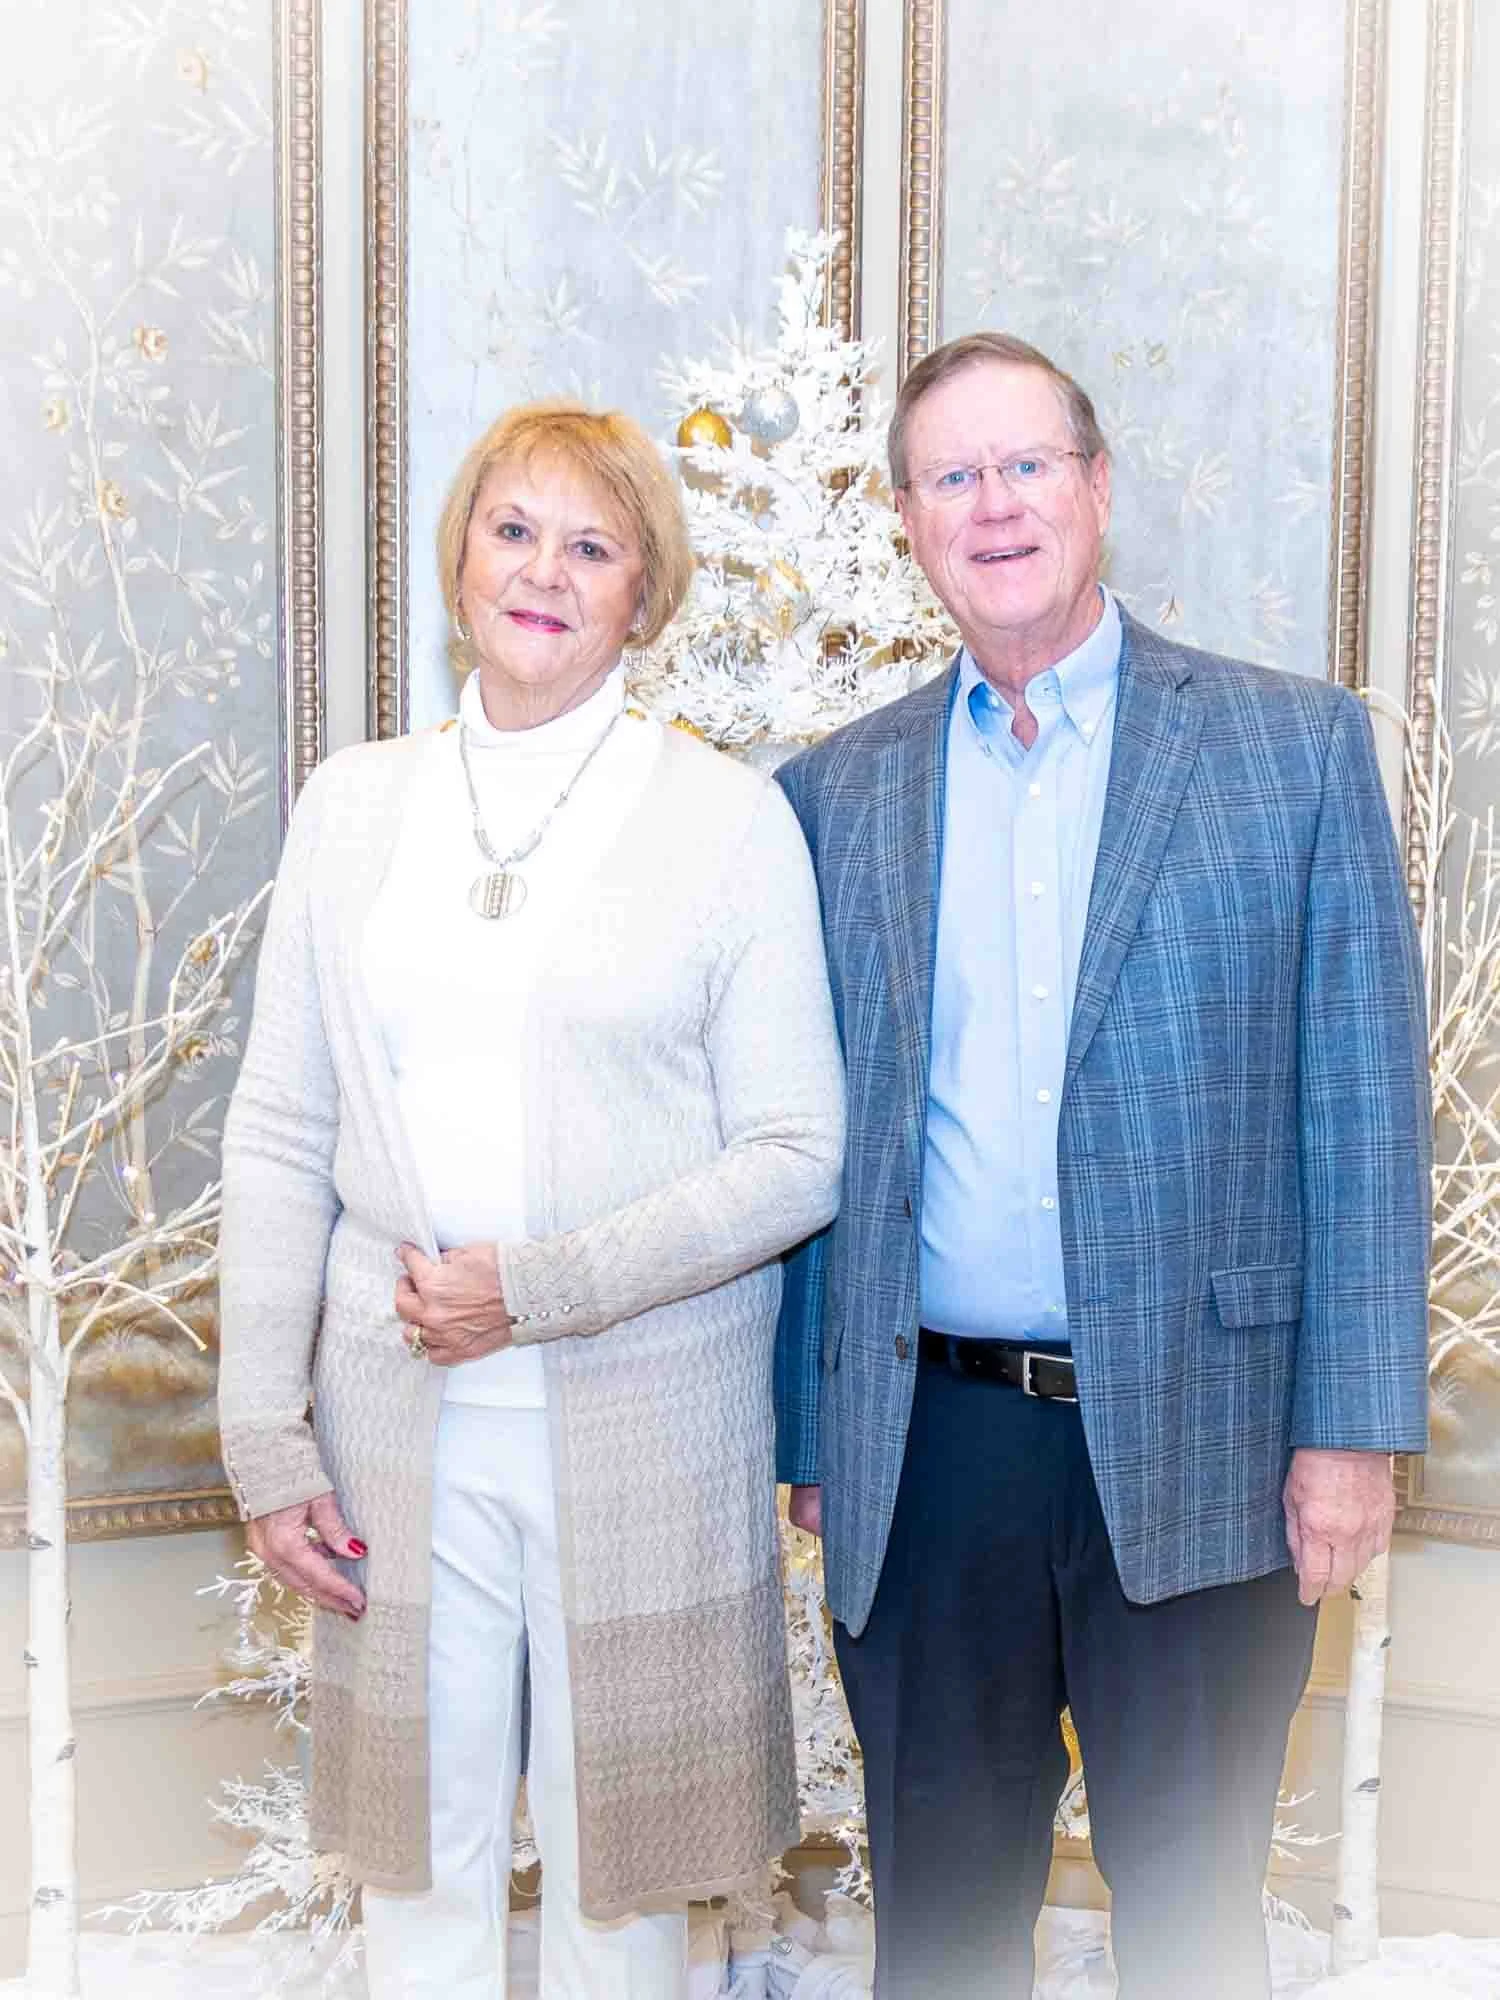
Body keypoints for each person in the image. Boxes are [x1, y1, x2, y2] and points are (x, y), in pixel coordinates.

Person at [773, 332, 1431, 2000]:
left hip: (1213, 1442)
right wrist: (809, 1432)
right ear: (911, 519)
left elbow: (1360, 1109)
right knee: (942, 1922)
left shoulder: (1290, 750)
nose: (992, 506)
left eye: (1025, 466)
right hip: (926, 1455)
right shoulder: (831, 796)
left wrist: (1350, 1431)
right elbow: (798, 1142)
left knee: (1197, 1912)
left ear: (1097, 488)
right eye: (950, 476)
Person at [218, 399, 845, 2000]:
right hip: (391, 1427)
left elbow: (794, 1155)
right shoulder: (353, 807)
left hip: (644, 1426)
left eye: (593, 544)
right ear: (460, 558)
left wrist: (539, 1286)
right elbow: (283, 1130)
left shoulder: (727, 821)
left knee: (621, 1887)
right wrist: (262, 1439)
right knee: (412, 1870)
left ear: (645, 593)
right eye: (514, 530)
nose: (544, 572)